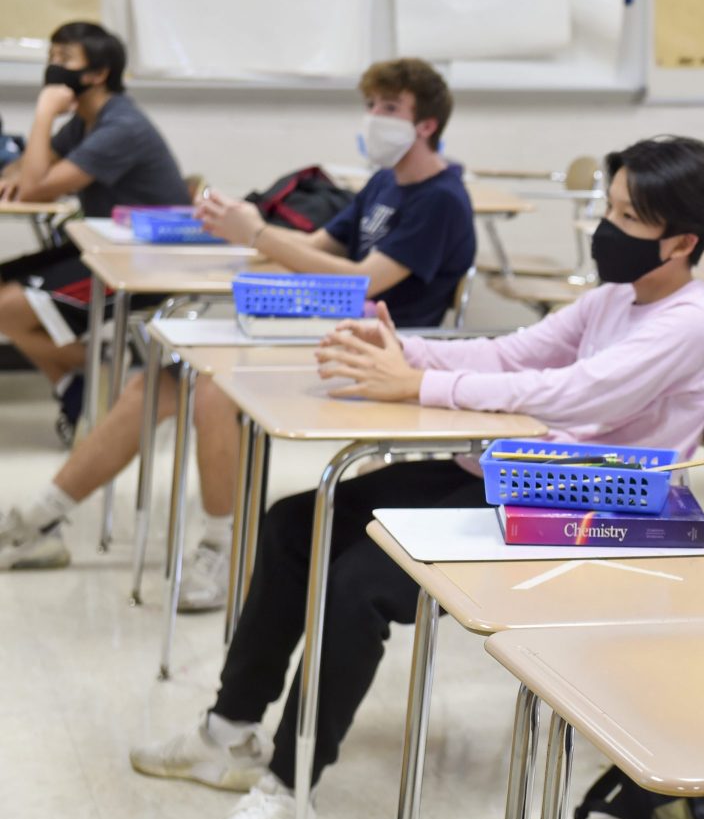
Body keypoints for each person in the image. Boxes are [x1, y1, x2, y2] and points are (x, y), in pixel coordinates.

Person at [128, 134, 704, 819]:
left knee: (359, 583)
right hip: (520, 481)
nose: (605, 228)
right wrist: (405, 352)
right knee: (296, 521)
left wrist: (417, 385)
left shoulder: (689, 323)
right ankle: (229, 733)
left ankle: (288, 796)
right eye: (607, 208)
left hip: (586, 514)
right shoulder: (616, 297)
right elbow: (515, 353)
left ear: (682, 242)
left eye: (627, 217)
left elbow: (568, 395)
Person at [0, 58, 476, 615]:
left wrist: (260, 235)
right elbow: (317, 247)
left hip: (379, 355)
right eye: (371, 105)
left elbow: (365, 279)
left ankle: (221, 548)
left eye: (389, 108)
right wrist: (244, 227)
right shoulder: (384, 182)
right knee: (153, 384)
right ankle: (38, 521)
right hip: (321, 331)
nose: (374, 117)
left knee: (214, 388)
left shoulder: (441, 199)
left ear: (426, 124)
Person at [0, 21, 190, 438]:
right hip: (103, 245)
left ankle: (102, 367)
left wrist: (44, 112)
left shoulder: (121, 127)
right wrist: (13, 176)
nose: (53, 67)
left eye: (64, 59)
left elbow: (35, 187)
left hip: (143, 262)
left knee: (6, 309)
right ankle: (76, 386)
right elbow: (28, 170)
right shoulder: (87, 120)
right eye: (51, 57)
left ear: (98, 73)